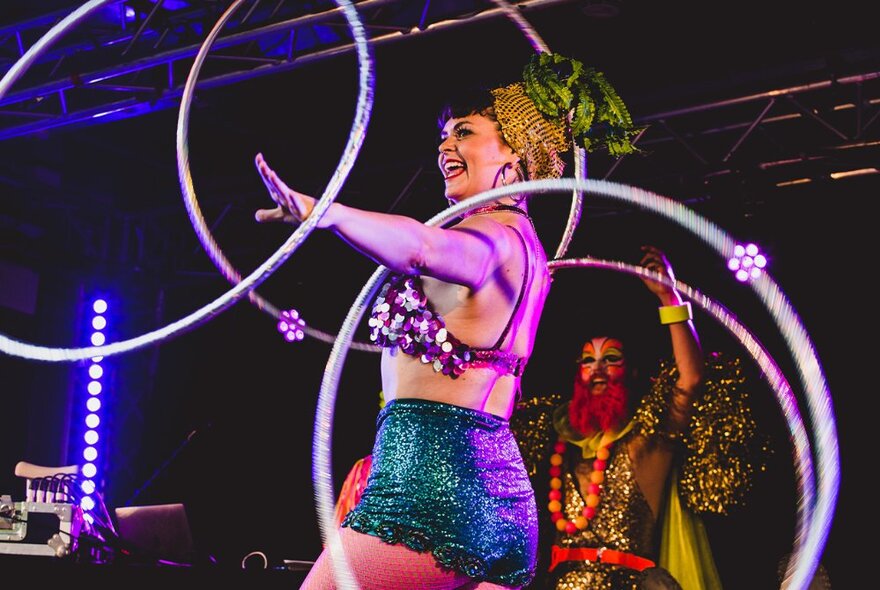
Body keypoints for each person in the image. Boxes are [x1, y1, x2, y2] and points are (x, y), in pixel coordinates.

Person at [252, 51, 633, 589]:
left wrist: (325, 212)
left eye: (465, 132)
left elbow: (421, 245)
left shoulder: (496, 238)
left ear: (516, 153)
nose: (444, 146)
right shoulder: (525, 246)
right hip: (496, 495)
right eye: (443, 137)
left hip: (433, 487)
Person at [511, 246, 765, 590]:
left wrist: (669, 298)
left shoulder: (645, 446)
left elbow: (689, 381)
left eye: (610, 359)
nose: (597, 370)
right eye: (588, 361)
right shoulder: (555, 444)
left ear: (630, 372)